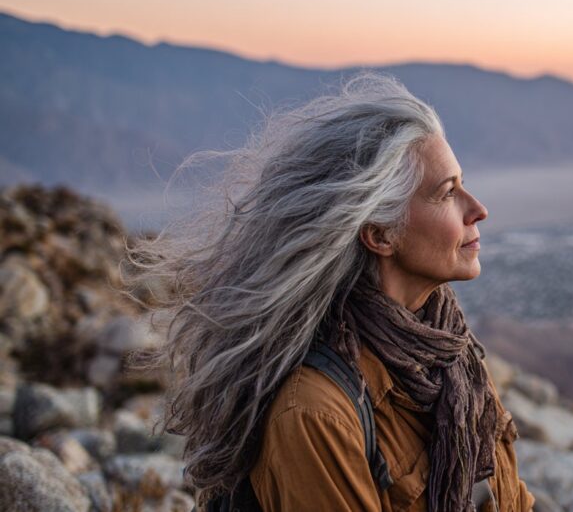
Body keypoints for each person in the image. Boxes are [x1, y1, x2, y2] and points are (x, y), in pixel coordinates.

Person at [126, 72, 536, 511]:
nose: (478, 209)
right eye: (447, 192)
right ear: (380, 234)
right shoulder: (315, 412)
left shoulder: (452, 356)